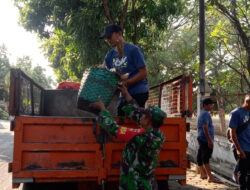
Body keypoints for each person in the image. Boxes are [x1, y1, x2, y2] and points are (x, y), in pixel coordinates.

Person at [90, 85, 166, 190]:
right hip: (147, 184)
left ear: (148, 120)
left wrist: (102, 109)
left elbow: (114, 128)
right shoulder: (157, 133)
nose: (141, 116)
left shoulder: (141, 137)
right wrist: (125, 93)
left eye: (144, 115)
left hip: (135, 185)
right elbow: (137, 113)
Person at [99, 24, 149, 115]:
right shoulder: (110, 55)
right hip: (123, 95)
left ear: (119, 34)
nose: (108, 40)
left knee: (135, 119)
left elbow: (143, 73)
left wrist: (126, 83)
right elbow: (103, 70)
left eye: (109, 36)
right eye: (106, 38)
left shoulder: (133, 50)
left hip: (138, 92)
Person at [196, 98, 221, 183]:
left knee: (200, 155)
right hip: (205, 139)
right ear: (205, 105)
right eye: (210, 104)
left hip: (201, 137)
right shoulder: (205, 114)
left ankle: (202, 174)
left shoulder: (202, 113)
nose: (212, 106)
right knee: (206, 157)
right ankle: (210, 177)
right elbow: (205, 127)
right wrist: (210, 140)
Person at [229, 94, 250, 190]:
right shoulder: (236, 113)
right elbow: (232, 134)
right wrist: (239, 149)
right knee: (243, 172)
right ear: (247, 102)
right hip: (242, 148)